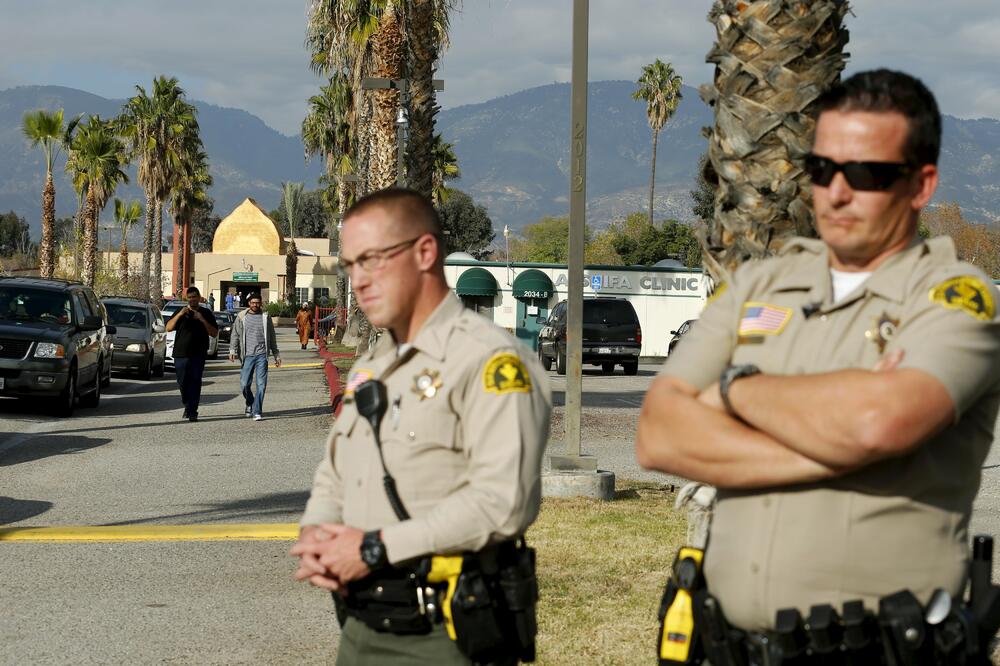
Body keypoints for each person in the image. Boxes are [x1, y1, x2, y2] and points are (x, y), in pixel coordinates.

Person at [636, 69, 1000, 658]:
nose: (836, 192)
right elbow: (656, 434)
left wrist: (732, 392)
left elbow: (878, 423)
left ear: (921, 184)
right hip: (730, 646)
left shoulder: (956, 297)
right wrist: (841, 453)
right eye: (823, 169)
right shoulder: (759, 285)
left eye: (866, 174)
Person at [290, 188, 551, 665]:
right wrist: (318, 530)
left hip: (444, 635)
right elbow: (336, 472)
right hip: (358, 627)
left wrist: (374, 549)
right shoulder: (374, 364)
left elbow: (502, 503)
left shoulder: (489, 360)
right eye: (351, 266)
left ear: (425, 252)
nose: (359, 282)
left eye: (371, 260)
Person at [165, 286, 218, 422]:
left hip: (198, 354)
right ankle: (187, 404)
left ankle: (193, 411)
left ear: (199, 298)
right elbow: (168, 327)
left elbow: (213, 333)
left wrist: (201, 319)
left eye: (194, 297)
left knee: (195, 382)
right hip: (180, 353)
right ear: (186, 299)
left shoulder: (206, 313)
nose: (192, 299)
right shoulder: (180, 312)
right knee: (182, 382)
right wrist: (180, 314)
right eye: (190, 297)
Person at [229, 293, 281, 421]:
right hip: (247, 355)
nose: (255, 305)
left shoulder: (265, 317)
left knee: (261, 384)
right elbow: (235, 334)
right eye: (253, 303)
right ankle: (250, 403)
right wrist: (232, 350)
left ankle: (257, 410)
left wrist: (276, 354)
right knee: (244, 384)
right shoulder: (241, 317)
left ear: (260, 303)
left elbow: (272, 337)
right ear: (249, 303)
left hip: (262, 355)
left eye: (257, 303)